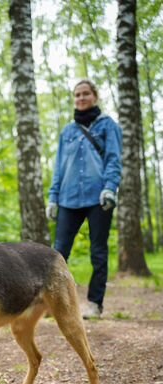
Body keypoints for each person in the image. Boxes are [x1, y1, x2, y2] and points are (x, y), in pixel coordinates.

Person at [46, 79, 122, 319]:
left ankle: (95, 304)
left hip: (99, 197)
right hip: (68, 198)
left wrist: (110, 187)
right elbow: (59, 167)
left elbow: (113, 159)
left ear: (95, 96)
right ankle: (54, 303)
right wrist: (53, 197)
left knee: (98, 252)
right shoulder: (67, 131)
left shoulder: (108, 125)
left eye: (85, 94)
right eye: (77, 95)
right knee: (58, 253)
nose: (81, 98)